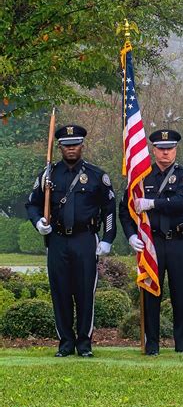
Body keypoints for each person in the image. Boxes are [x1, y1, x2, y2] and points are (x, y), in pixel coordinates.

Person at [26, 125, 117, 357]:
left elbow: (109, 209)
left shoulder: (97, 175)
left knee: (85, 292)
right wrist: (38, 222)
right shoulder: (48, 175)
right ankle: (65, 343)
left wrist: (107, 238)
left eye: (75, 144)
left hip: (85, 239)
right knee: (61, 292)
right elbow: (32, 204)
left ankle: (84, 344)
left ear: (82, 145)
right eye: (66, 145)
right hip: (57, 240)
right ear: (59, 147)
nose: (71, 148)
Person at [119, 129, 183, 356]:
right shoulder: (140, 178)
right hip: (150, 242)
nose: (165, 153)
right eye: (161, 149)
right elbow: (125, 211)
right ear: (153, 150)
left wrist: (152, 203)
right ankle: (151, 345)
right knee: (150, 293)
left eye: (170, 149)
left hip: (179, 241)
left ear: (176, 150)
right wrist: (131, 235)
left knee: (181, 294)